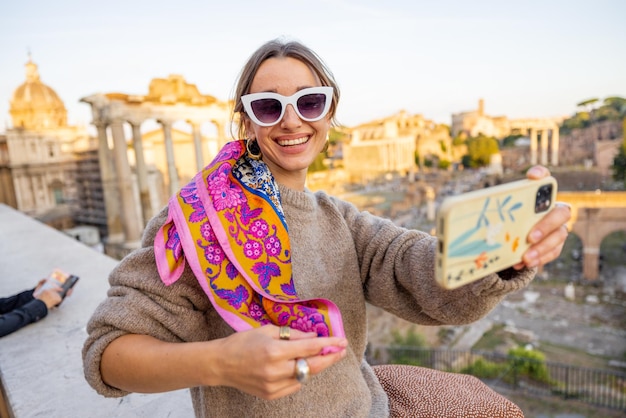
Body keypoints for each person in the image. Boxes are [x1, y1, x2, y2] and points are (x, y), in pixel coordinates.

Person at [83, 38, 571, 417]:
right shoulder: (192, 225)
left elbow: (417, 272)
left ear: (330, 113)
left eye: (309, 102)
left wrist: (505, 249)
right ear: (247, 124)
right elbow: (108, 355)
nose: (291, 120)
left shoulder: (341, 219)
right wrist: (221, 362)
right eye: (268, 106)